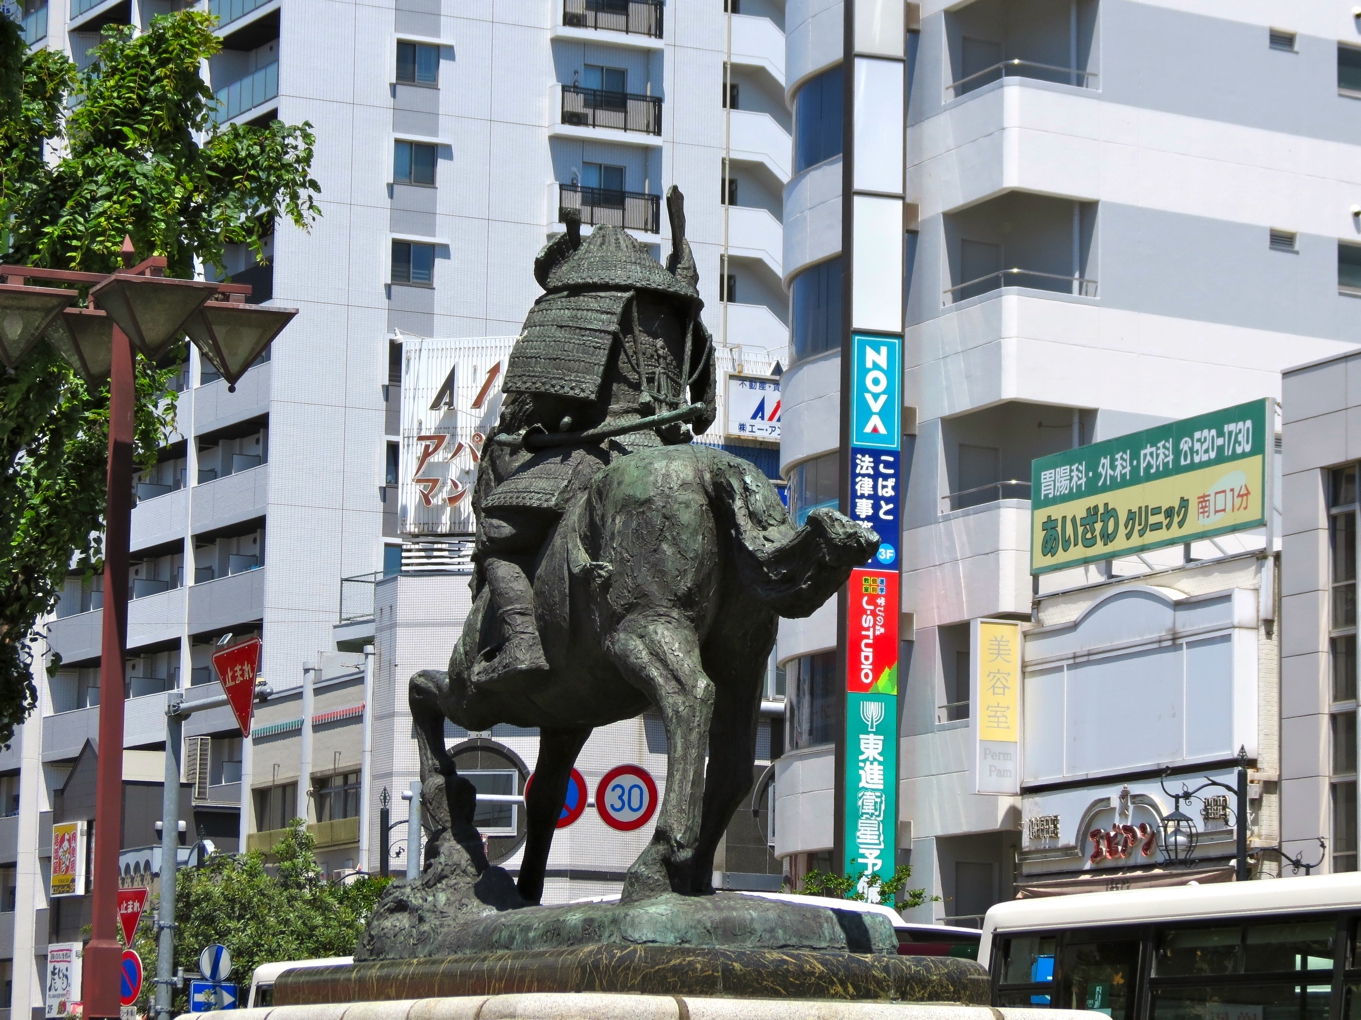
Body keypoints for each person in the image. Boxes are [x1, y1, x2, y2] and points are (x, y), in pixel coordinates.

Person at [470, 190, 716, 687]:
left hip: (601, 451)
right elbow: (705, 409)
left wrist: (542, 431)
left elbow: (552, 404)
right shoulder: (682, 317)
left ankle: (522, 641)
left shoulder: (579, 310)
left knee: (497, 533)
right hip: (674, 447)